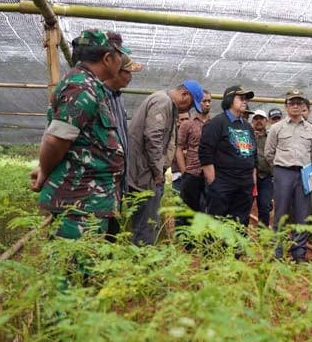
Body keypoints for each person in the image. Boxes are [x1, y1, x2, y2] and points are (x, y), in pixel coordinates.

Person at [30, 29, 129, 239]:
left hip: (89, 200)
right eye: (120, 56)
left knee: (85, 265)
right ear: (108, 58)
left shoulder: (91, 86)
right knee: (75, 268)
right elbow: (57, 139)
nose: (122, 61)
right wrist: (44, 173)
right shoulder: (80, 87)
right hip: (79, 202)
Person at [128, 80, 204, 246]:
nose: (189, 110)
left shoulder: (166, 104)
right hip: (145, 174)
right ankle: (143, 263)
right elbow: (153, 138)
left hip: (146, 172)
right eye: (191, 105)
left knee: (148, 222)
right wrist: (157, 172)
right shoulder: (162, 102)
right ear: (185, 95)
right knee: (146, 224)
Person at [265, 89, 312, 263]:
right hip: (283, 172)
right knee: (281, 213)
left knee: (302, 213)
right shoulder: (277, 128)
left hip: (304, 175)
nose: (296, 106)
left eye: (300, 103)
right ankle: (278, 252)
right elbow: (269, 153)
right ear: (286, 106)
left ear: (304, 106)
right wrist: (278, 169)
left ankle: (299, 253)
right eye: (292, 103)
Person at [199, 85, 257, 228]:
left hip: (245, 184)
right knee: (217, 222)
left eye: (246, 99)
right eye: (241, 98)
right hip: (223, 182)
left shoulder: (248, 127)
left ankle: (236, 250)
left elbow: (253, 155)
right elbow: (205, 153)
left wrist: (252, 181)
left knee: (241, 222)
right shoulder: (217, 123)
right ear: (230, 100)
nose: (245, 101)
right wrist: (213, 182)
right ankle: (214, 250)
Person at [103, 53, 143, 239]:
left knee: (112, 233)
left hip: (117, 183)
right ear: (115, 71)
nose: (130, 77)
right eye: (128, 72)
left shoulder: (118, 97)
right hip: (100, 186)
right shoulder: (98, 95)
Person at [176, 91, 212, 219]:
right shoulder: (187, 124)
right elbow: (179, 148)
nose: (207, 104)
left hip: (210, 174)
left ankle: (206, 239)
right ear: (197, 102)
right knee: (189, 212)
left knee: (210, 211)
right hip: (192, 173)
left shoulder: (215, 124)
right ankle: (188, 238)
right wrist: (184, 171)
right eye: (204, 101)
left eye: (209, 101)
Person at [251, 109, 273, 227]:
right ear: (252, 121)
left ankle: (263, 234)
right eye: (256, 119)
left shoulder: (271, 137)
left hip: (265, 177)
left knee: (264, 206)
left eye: (261, 119)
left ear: (266, 121)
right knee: (245, 205)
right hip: (248, 177)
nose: (259, 121)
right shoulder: (248, 135)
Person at [171, 113, 191, 192]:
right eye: (182, 119)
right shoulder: (173, 135)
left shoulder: (195, 132)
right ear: (177, 121)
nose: (185, 122)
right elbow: (172, 156)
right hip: (178, 176)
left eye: (187, 119)